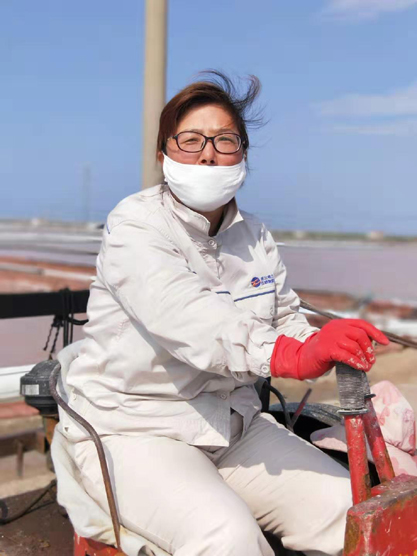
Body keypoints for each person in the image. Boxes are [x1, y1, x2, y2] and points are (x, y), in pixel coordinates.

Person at [52, 71, 389, 556]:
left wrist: (320, 340)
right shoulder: (135, 224)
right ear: (163, 154)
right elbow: (188, 318)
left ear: (243, 155)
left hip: (234, 425)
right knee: (225, 537)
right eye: (190, 140)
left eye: (224, 140)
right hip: (136, 428)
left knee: (346, 507)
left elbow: (282, 318)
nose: (208, 153)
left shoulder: (254, 235)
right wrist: (292, 355)